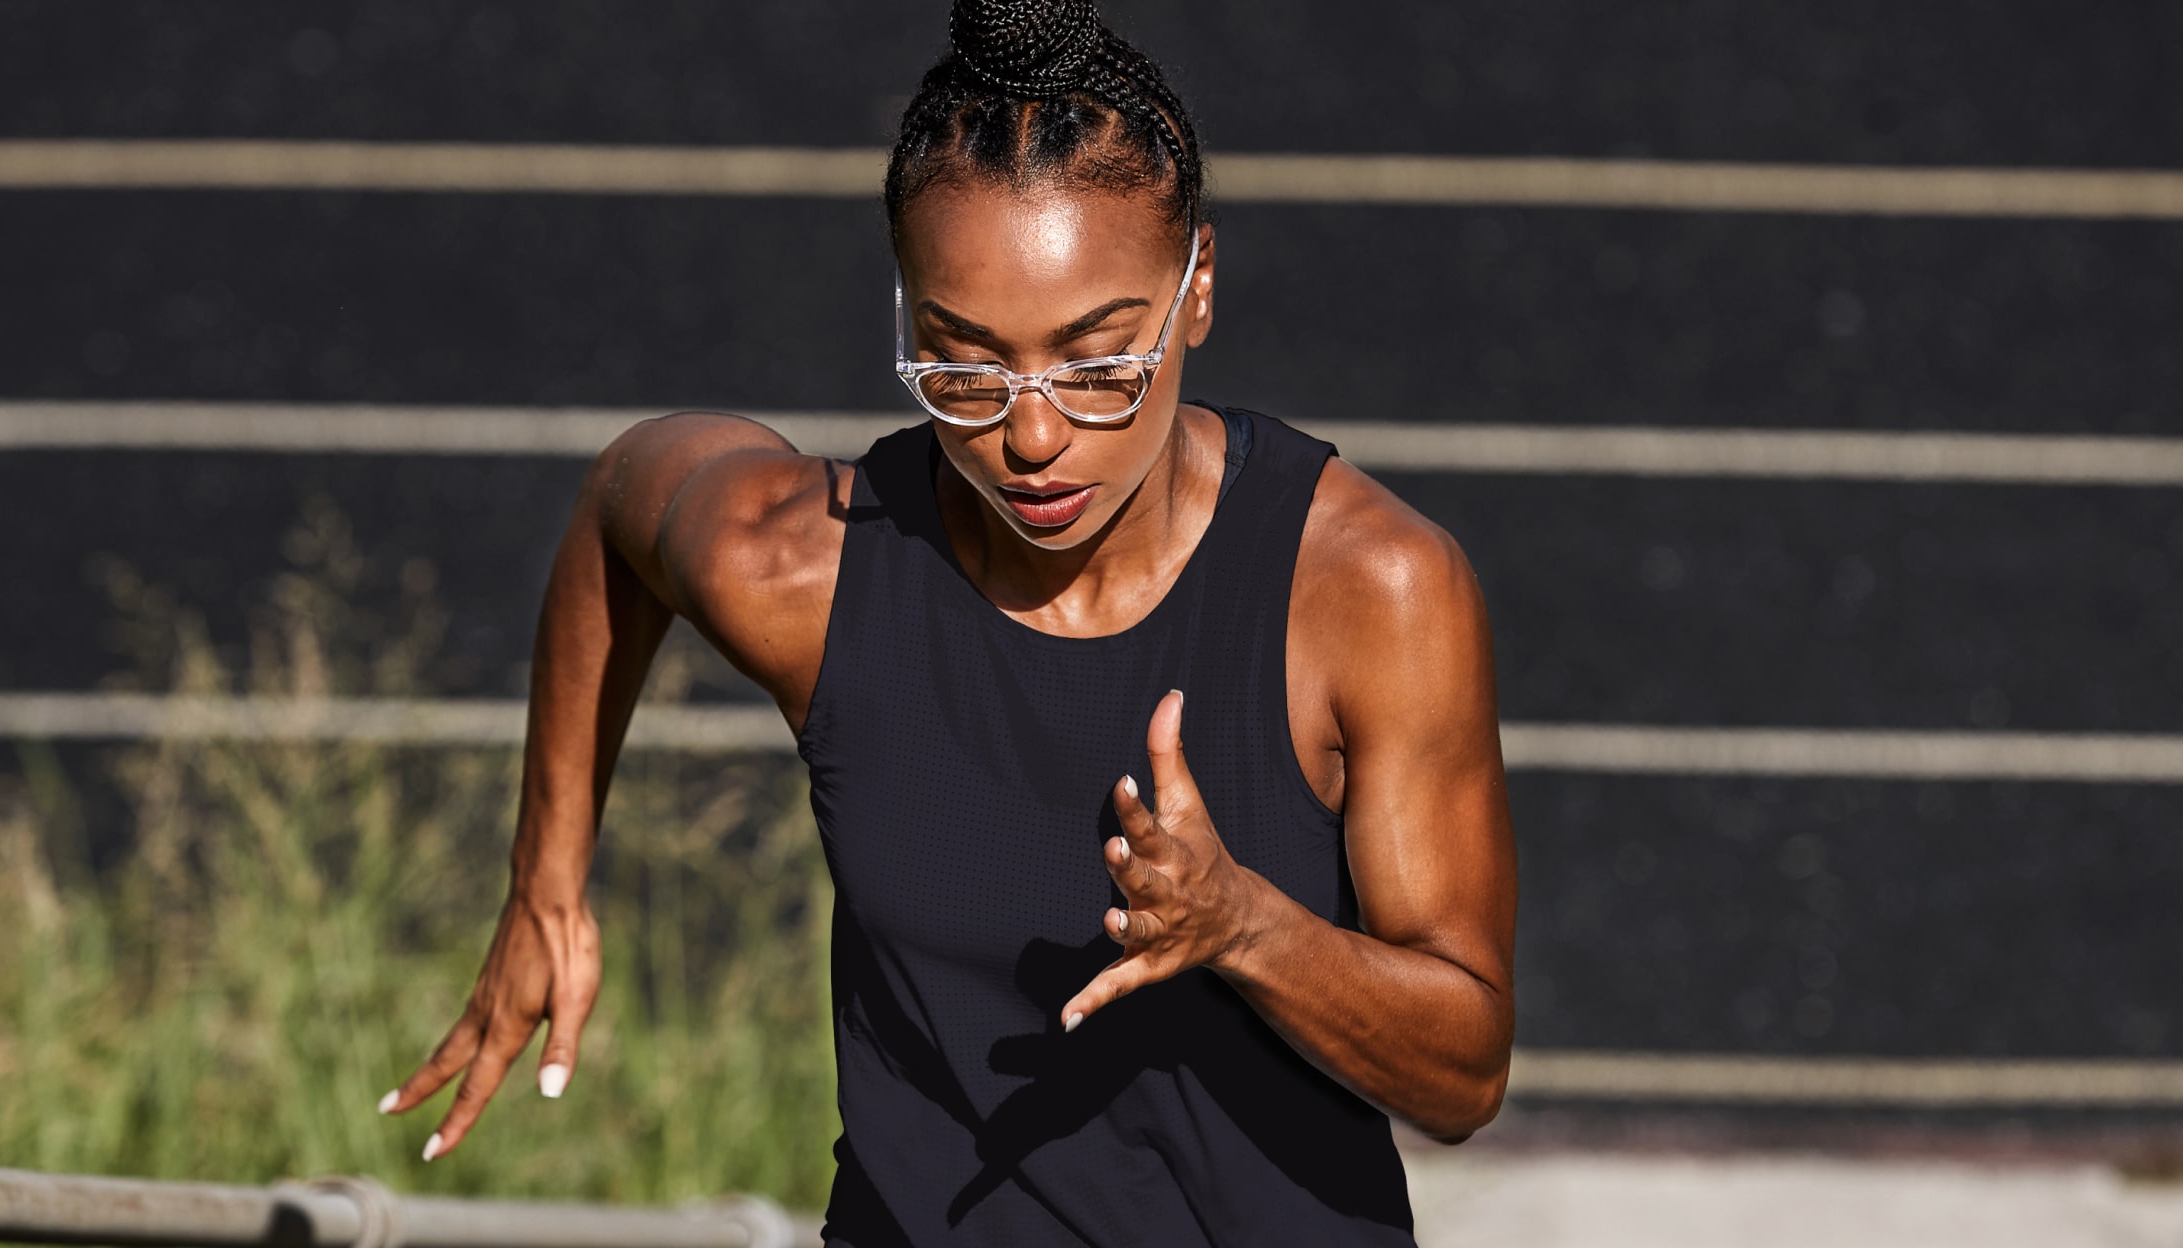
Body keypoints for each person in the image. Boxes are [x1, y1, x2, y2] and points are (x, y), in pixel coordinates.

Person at [382, 0, 1516, 1241]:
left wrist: (1248, 928)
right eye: (963, 365)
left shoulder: (1366, 591)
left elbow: (1463, 1077)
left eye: (1098, 365)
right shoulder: (809, 573)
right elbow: (620, 503)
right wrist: (545, 884)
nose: (1030, 435)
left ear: (1197, 286)